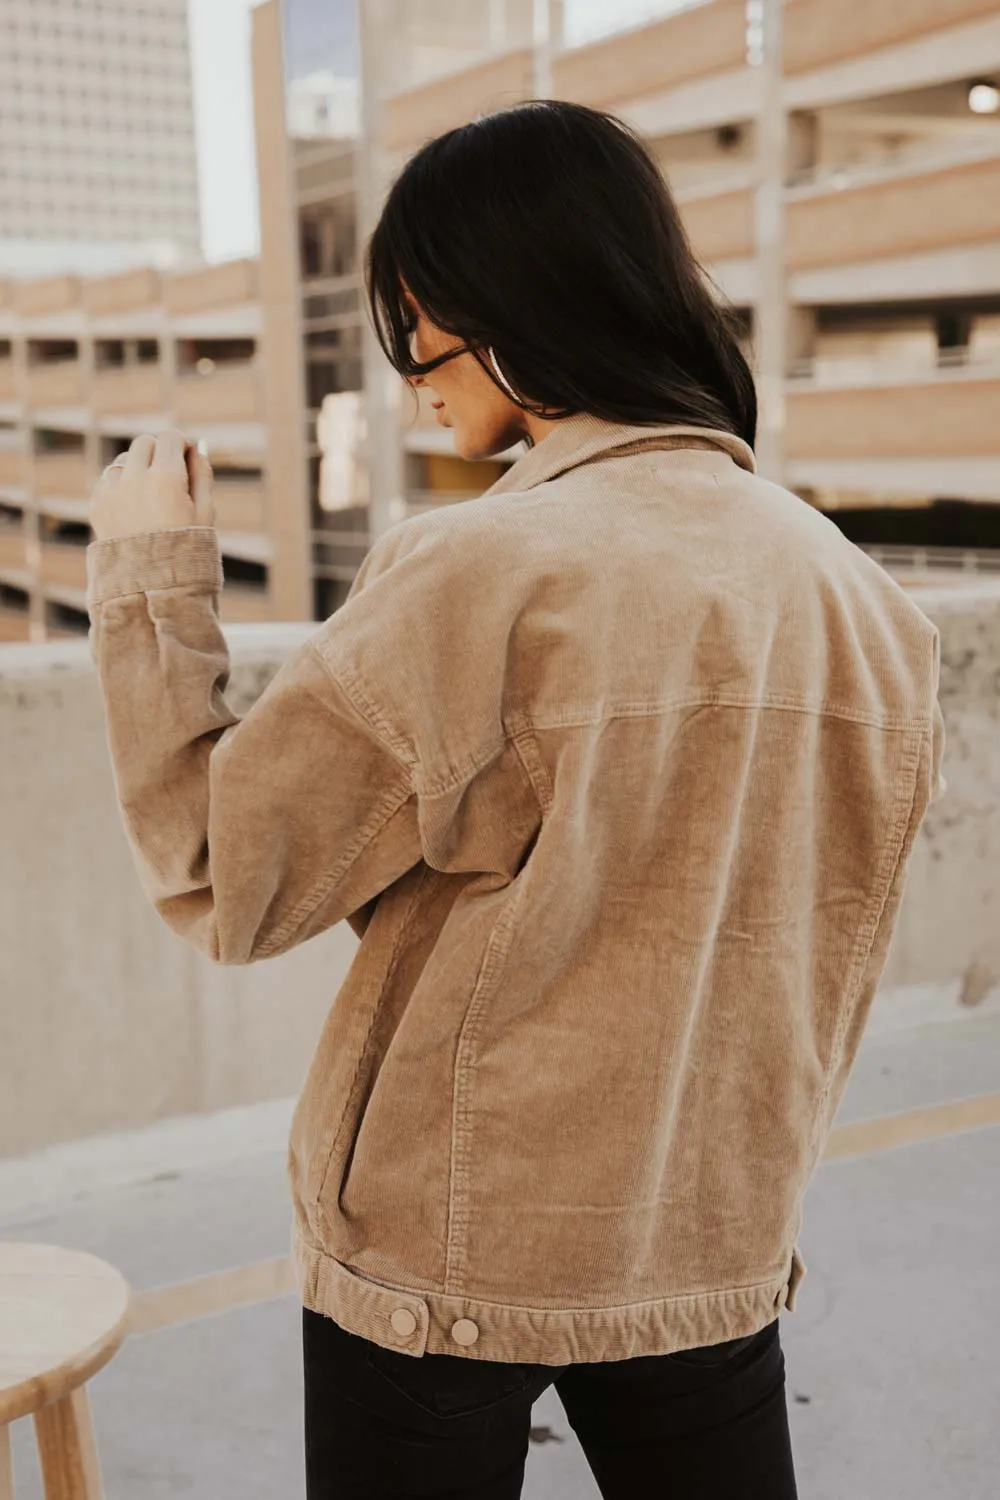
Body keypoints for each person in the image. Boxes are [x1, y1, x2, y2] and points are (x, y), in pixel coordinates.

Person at [85, 100, 946, 1499]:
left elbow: (219, 874)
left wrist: (150, 579)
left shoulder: (480, 571)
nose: (411, 370)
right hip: (707, 1226)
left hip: (448, 1255)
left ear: (509, 305)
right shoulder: (860, 599)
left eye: (416, 319)